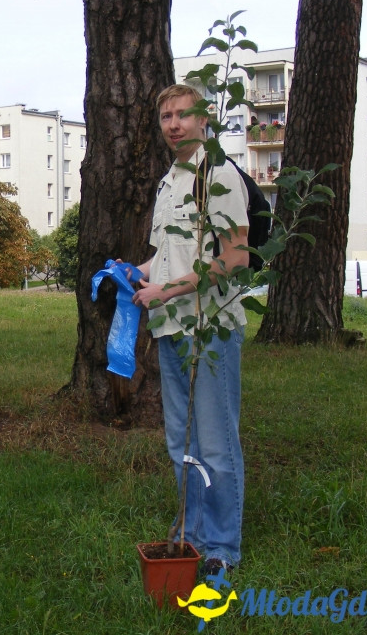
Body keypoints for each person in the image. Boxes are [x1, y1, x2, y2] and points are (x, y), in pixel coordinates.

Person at [128, 84, 249, 577]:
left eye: (183, 114)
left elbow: (235, 258)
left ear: (204, 119)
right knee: (182, 441)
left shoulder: (219, 174)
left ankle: (221, 547)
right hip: (171, 328)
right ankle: (192, 534)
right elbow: (167, 256)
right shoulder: (170, 181)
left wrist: (167, 291)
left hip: (210, 328)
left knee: (215, 443)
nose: (174, 124)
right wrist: (134, 272)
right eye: (166, 116)